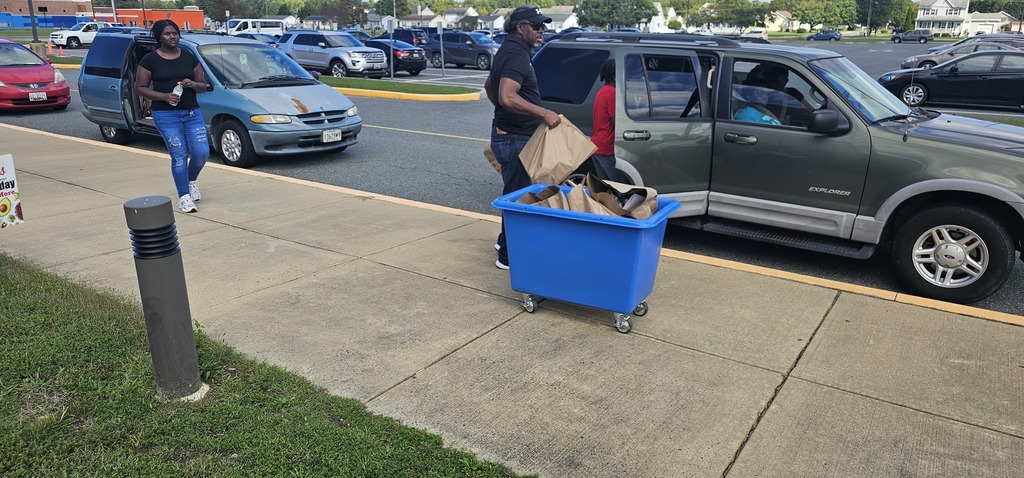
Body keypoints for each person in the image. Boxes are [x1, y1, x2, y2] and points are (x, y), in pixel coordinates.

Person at [484, 5, 561, 271]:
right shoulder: (516, 54)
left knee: (515, 191)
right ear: (520, 28)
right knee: (518, 198)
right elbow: (506, 95)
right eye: (536, 26)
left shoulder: (509, 49)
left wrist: (504, 113)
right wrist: (543, 113)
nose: (542, 30)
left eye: (543, 26)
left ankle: (503, 241)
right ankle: (507, 256)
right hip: (515, 138)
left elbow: (489, 86)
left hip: (510, 133)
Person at [136, 19, 210, 213]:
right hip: (166, 114)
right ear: (159, 36)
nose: (172, 37)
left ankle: (191, 181)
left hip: (192, 112)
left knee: (202, 153)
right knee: (179, 156)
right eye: (168, 33)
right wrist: (163, 96)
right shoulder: (150, 60)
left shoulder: (188, 57)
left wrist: (193, 84)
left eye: (175, 33)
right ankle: (184, 197)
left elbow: (203, 85)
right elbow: (140, 88)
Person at [590, 59, 617, 181]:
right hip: (607, 147)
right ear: (615, 76)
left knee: (603, 186)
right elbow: (616, 122)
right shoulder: (612, 93)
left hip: (596, 145)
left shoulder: (601, 91)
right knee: (617, 186)